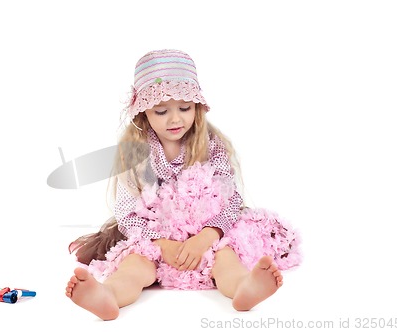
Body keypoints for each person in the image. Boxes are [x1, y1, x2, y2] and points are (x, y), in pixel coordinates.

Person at [65, 49, 301, 321]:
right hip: (157, 238)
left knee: (225, 258)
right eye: (162, 111)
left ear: (198, 107)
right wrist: (162, 244)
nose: (175, 119)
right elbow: (127, 215)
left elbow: (232, 200)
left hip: (207, 234)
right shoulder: (135, 152)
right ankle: (109, 294)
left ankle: (242, 287)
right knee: (135, 265)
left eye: (185, 108)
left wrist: (207, 236)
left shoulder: (211, 145)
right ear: (143, 113)